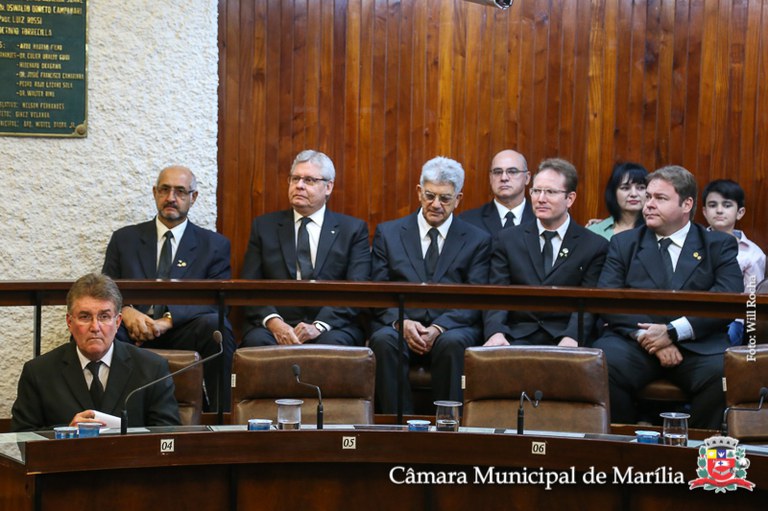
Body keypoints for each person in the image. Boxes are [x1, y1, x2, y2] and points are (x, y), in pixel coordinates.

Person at [593, 165, 743, 429]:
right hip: (634, 343)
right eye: (648, 197)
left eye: (660, 198)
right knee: (603, 364)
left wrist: (673, 332)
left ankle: (696, 446)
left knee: (723, 374)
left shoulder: (717, 245)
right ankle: (623, 443)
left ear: (687, 204)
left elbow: (727, 300)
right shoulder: (624, 243)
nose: (648, 204)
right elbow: (608, 299)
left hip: (698, 345)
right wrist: (651, 338)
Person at [102, 165, 234, 411]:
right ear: (155, 193)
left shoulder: (214, 245)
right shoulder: (125, 239)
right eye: (164, 190)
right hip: (131, 329)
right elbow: (105, 291)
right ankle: (102, 414)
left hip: (182, 329)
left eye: (180, 191)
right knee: (97, 327)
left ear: (193, 197)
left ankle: (221, 416)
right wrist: (126, 311)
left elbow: (216, 302)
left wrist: (168, 321)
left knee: (217, 327)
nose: (171, 198)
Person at [369, 156, 491, 414]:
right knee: (383, 340)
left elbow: (474, 298)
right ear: (419, 192)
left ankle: (448, 424)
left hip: (451, 327)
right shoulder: (389, 234)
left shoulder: (477, 240)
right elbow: (378, 291)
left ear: (458, 199)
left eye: (445, 198)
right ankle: (397, 426)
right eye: (429, 195)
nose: (435, 204)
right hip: (401, 324)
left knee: (453, 342)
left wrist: (438, 327)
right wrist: (402, 322)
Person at [11, 273, 180, 431]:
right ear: (69, 322)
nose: (95, 327)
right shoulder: (38, 372)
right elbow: (22, 437)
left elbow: (169, 437)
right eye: (85, 317)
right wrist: (66, 433)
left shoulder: (152, 369)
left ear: (118, 322)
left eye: (104, 316)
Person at [240, 150, 371, 347]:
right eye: (295, 179)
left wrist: (319, 326)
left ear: (328, 187)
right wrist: (275, 323)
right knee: (256, 343)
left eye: (309, 180)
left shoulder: (352, 230)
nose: (299, 186)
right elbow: (249, 286)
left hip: (332, 326)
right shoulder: (264, 227)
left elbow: (357, 289)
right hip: (276, 323)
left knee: (333, 346)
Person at [484, 158, 608, 347]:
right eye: (536, 191)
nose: (541, 199)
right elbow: (497, 295)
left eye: (550, 192)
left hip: (565, 337)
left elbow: (588, 304)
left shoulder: (593, 245)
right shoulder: (508, 239)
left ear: (570, 198)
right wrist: (496, 332)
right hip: (515, 336)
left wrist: (572, 337)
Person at [702, 179, 766, 344]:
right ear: (704, 211)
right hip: (695, 314)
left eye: (727, 205)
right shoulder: (691, 244)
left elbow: (752, 302)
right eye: (713, 205)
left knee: (726, 337)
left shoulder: (752, 254)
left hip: (732, 320)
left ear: (740, 212)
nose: (719, 210)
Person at [460, 149, 535, 234]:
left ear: (527, 178)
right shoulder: (468, 222)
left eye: (512, 172)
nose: (504, 178)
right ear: (490, 178)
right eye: (497, 172)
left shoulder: (541, 219)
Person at [587, 162, 649, 240]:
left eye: (641, 188)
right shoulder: (595, 231)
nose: (634, 194)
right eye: (625, 188)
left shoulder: (658, 229)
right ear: (613, 193)